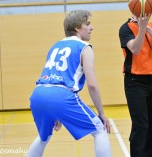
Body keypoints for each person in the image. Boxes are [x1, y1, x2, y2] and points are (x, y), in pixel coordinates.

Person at [27, 10, 111, 157]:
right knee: (100, 130)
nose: (92, 27)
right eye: (88, 24)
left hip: (38, 93)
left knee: (43, 137)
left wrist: (57, 113)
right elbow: (92, 85)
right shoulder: (84, 47)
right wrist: (102, 113)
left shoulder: (55, 46)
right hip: (60, 95)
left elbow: (54, 77)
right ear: (77, 28)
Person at [119, 0, 152, 157]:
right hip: (134, 82)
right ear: (131, 6)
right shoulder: (125, 28)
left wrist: (147, 28)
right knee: (141, 125)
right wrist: (141, 29)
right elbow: (135, 48)